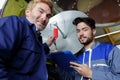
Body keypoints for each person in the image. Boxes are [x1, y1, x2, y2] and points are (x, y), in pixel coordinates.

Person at [0, 0, 55, 80]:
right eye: (40, 11)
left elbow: (30, 54)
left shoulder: (36, 37)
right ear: (28, 12)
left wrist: (47, 45)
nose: (44, 18)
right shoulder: (15, 23)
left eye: (48, 16)